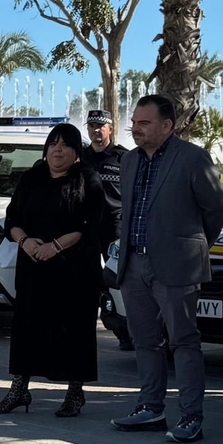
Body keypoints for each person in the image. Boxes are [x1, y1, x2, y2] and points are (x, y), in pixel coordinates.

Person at [111, 94, 223, 443]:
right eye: (133, 122)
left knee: (184, 342)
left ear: (167, 125)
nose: (135, 129)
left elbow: (216, 208)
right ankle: (150, 407)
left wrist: (191, 246)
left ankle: (191, 416)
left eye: (143, 123)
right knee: (144, 340)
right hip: (134, 264)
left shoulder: (192, 158)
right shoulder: (129, 161)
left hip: (177, 265)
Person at [0, 123, 112, 417]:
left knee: (74, 331)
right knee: (27, 328)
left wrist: (54, 247)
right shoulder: (31, 178)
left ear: (76, 151)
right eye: (53, 143)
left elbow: (89, 225)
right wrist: (25, 241)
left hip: (74, 270)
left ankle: (74, 393)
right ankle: (19, 390)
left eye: (65, 145)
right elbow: (12, 218)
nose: (57, 149)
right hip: (33, 267)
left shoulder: (88, 179)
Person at [83, 107, 134, 351]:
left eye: (100, 126)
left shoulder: (124, 157)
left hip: (116, 225)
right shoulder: (81, 157)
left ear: (110, 129)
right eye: (91, 126)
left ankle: (125, 331)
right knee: (89, 278)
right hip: (87, 226)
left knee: (118, 279)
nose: (95, 131)